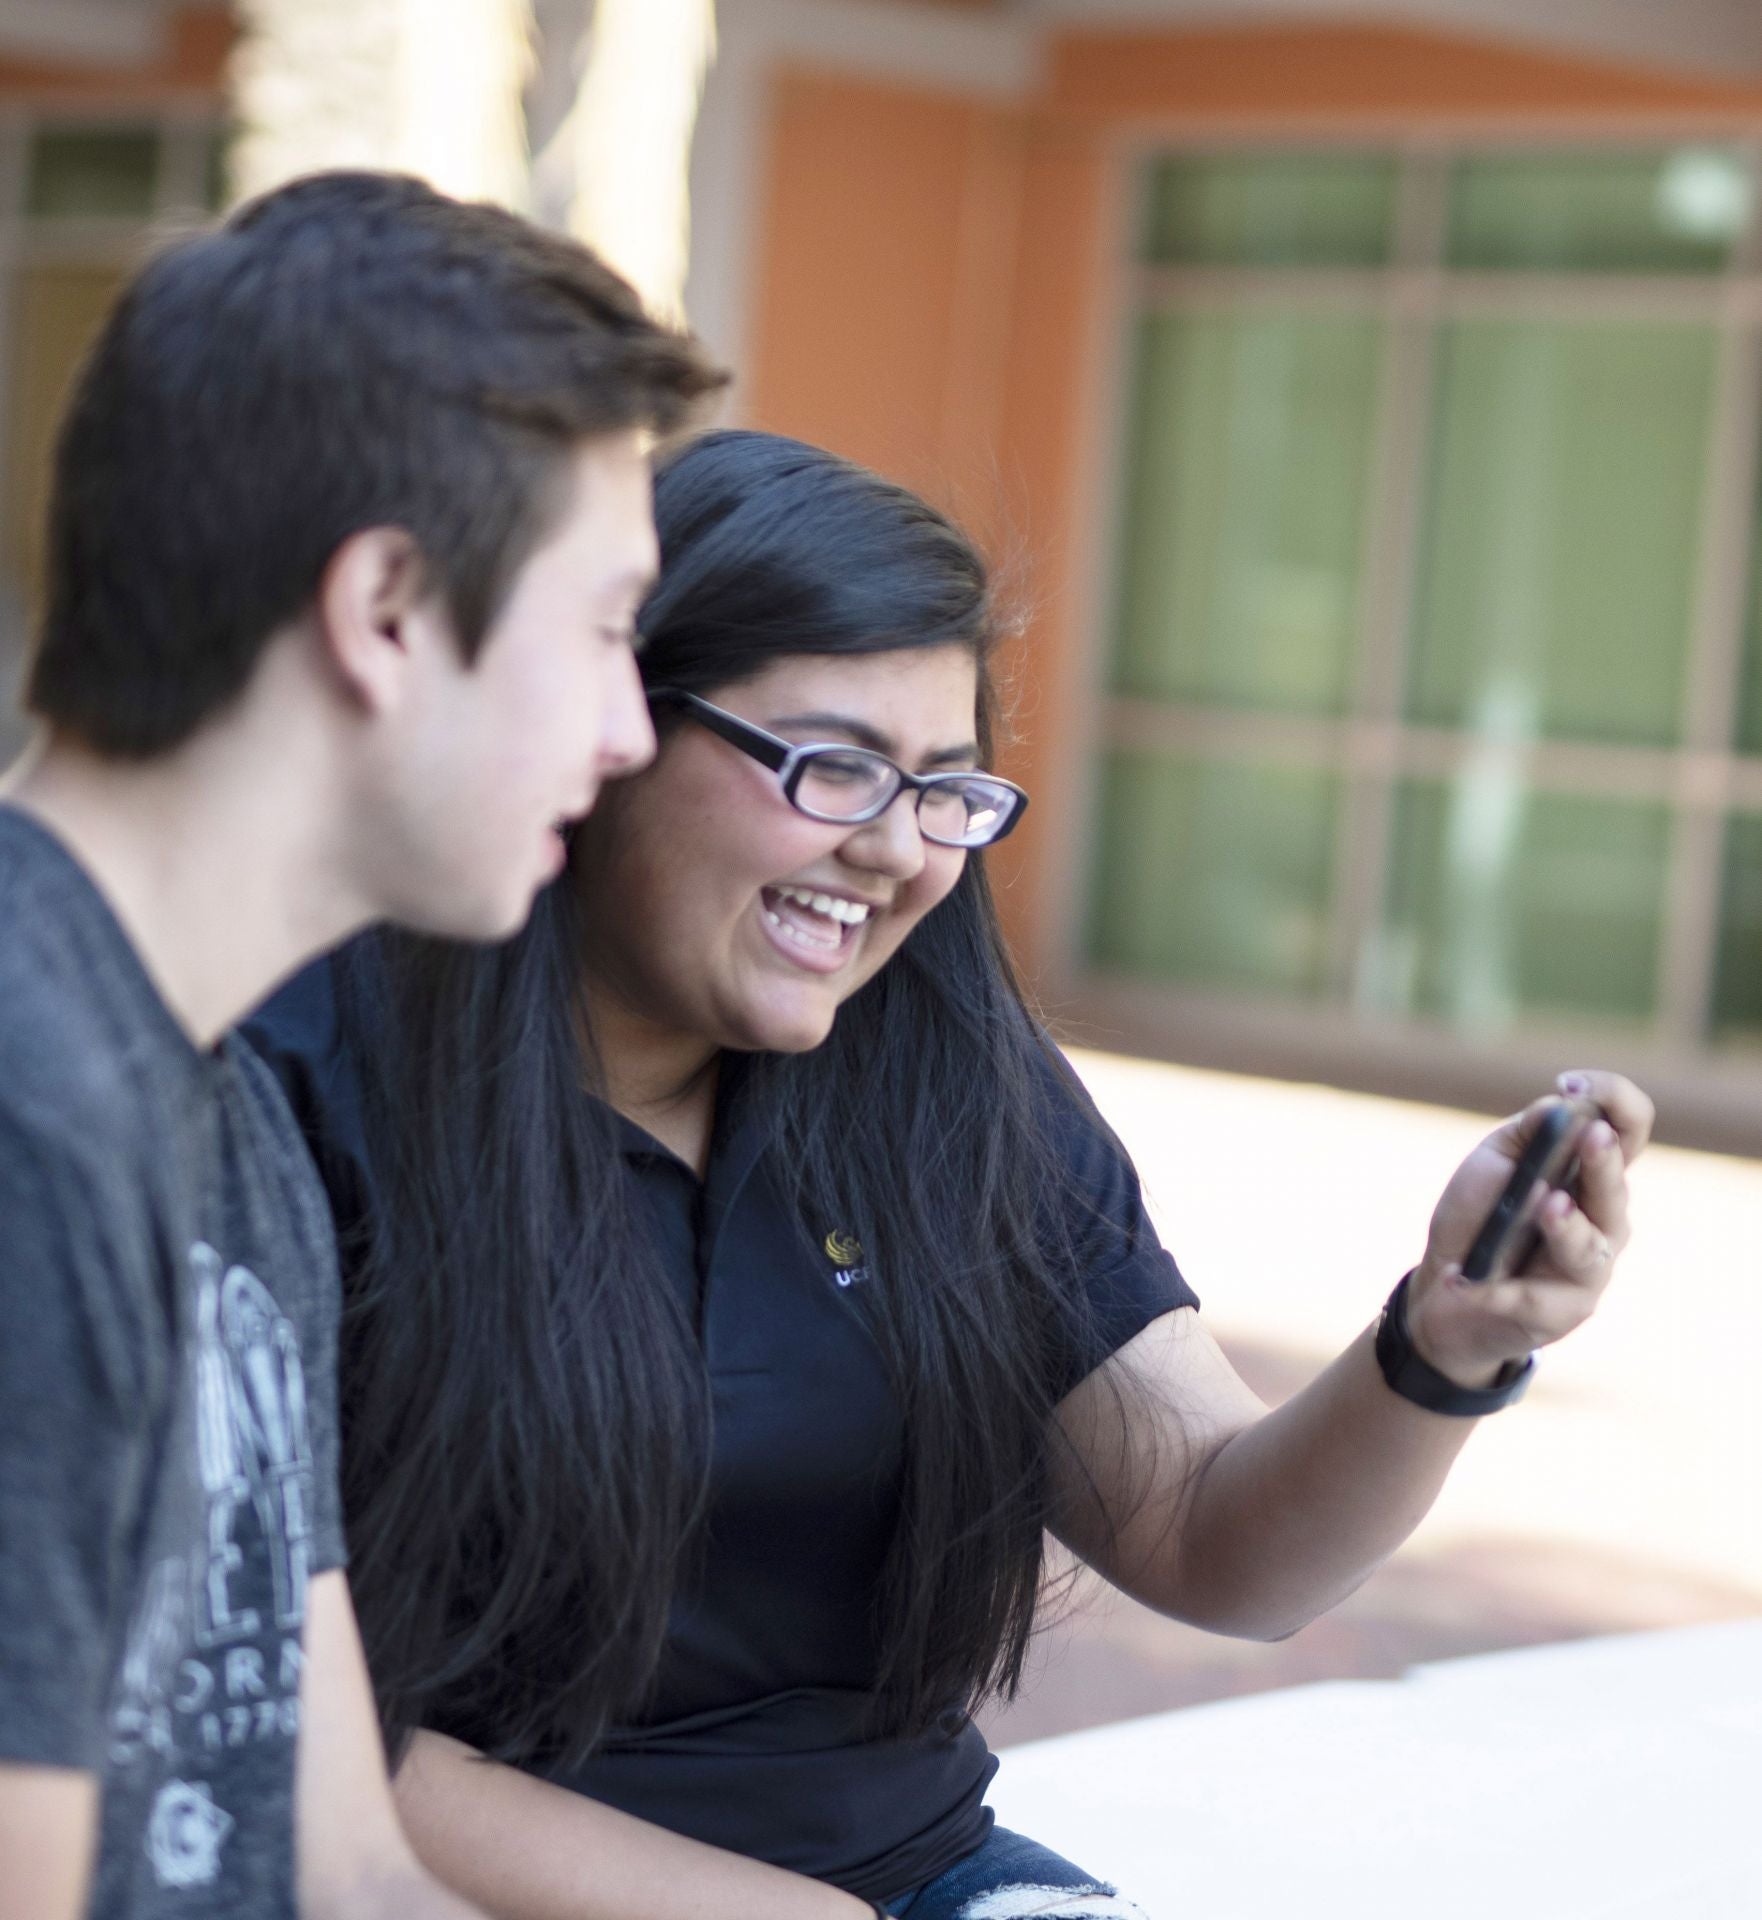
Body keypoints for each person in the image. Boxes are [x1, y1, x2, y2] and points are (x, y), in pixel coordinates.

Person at [250, 429, 1652, 1920]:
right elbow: (256, 1712)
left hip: (909, 1877)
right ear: (607, 730)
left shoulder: (941, 1076)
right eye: (834, 766)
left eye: (946, 790)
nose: (896, 853)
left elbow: (1207, 1537)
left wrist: (1439, 1349)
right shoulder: (308, 1081)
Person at [0, 171, 723, 1920]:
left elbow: (336, 1862)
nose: (632, 732)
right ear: (386, 606)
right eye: (612, 627)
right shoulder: (29, 1116)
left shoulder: (226, 1106)